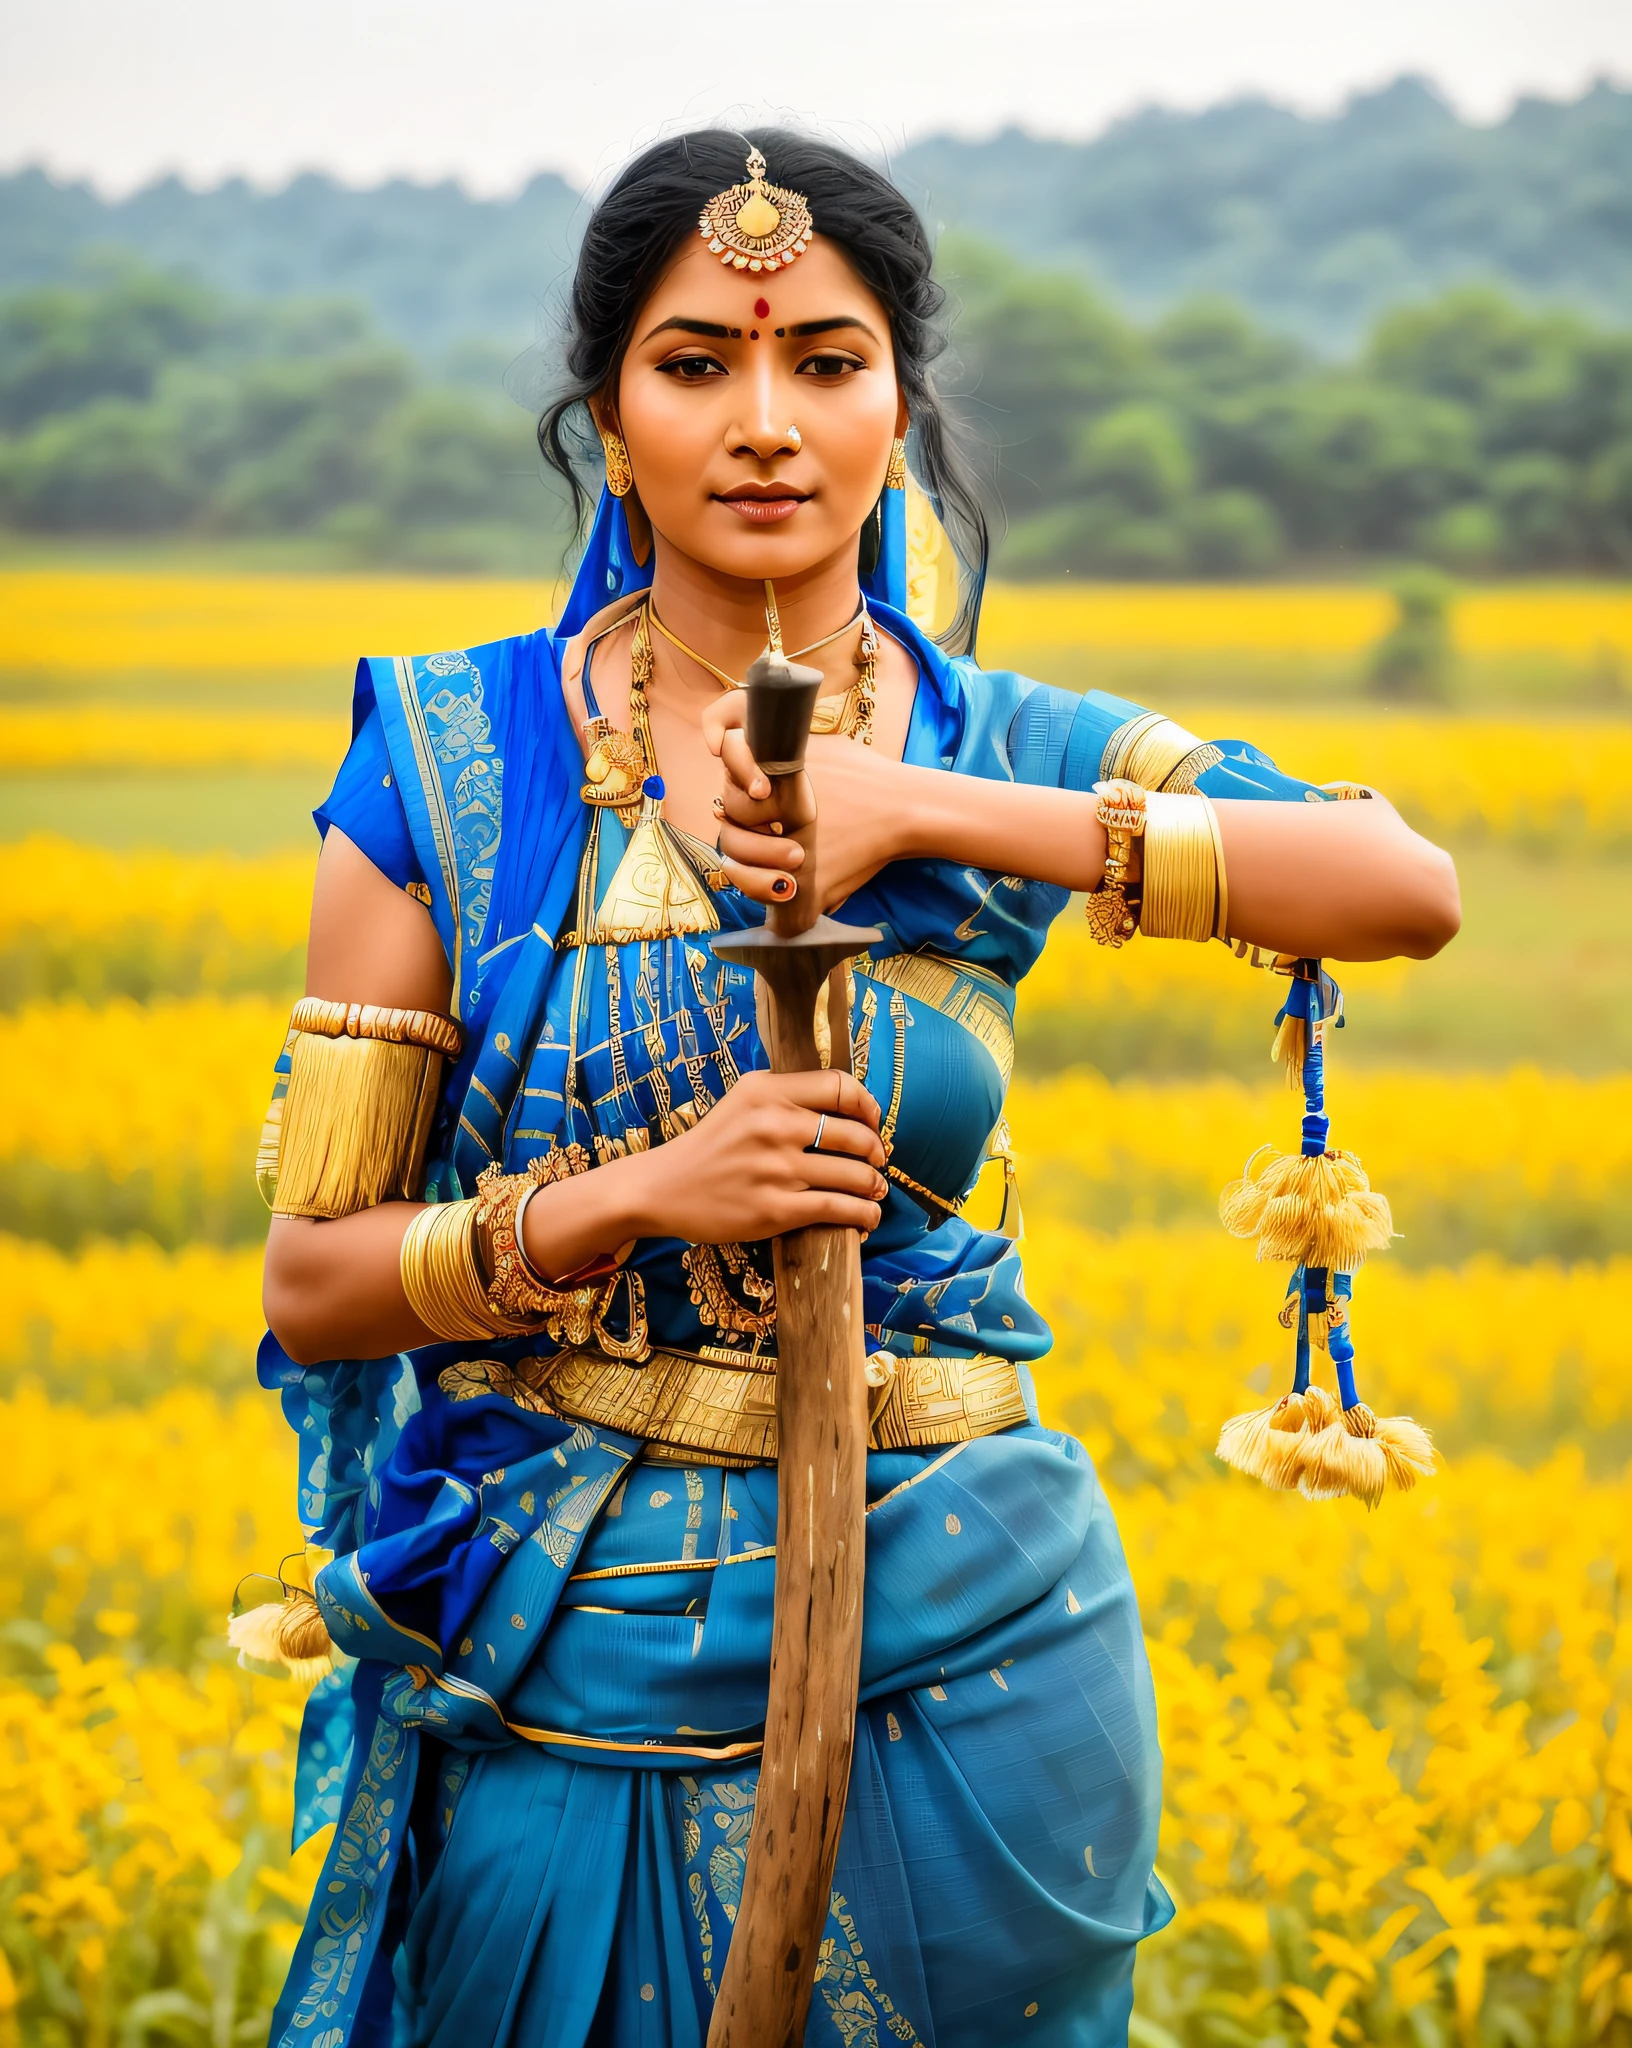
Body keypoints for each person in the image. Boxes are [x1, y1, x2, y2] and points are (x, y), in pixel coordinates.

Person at [250, 129, 1459, 2048]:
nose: (764, 422)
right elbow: (315, 1283)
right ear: (605, 406)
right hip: (576, 1648)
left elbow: (1402, 885)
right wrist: (637, 1196)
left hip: (977, 1637)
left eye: (826, 360)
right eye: (693, 362)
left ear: (901, 401)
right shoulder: (456, 766)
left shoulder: (1010, 747)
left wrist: (921, 808)